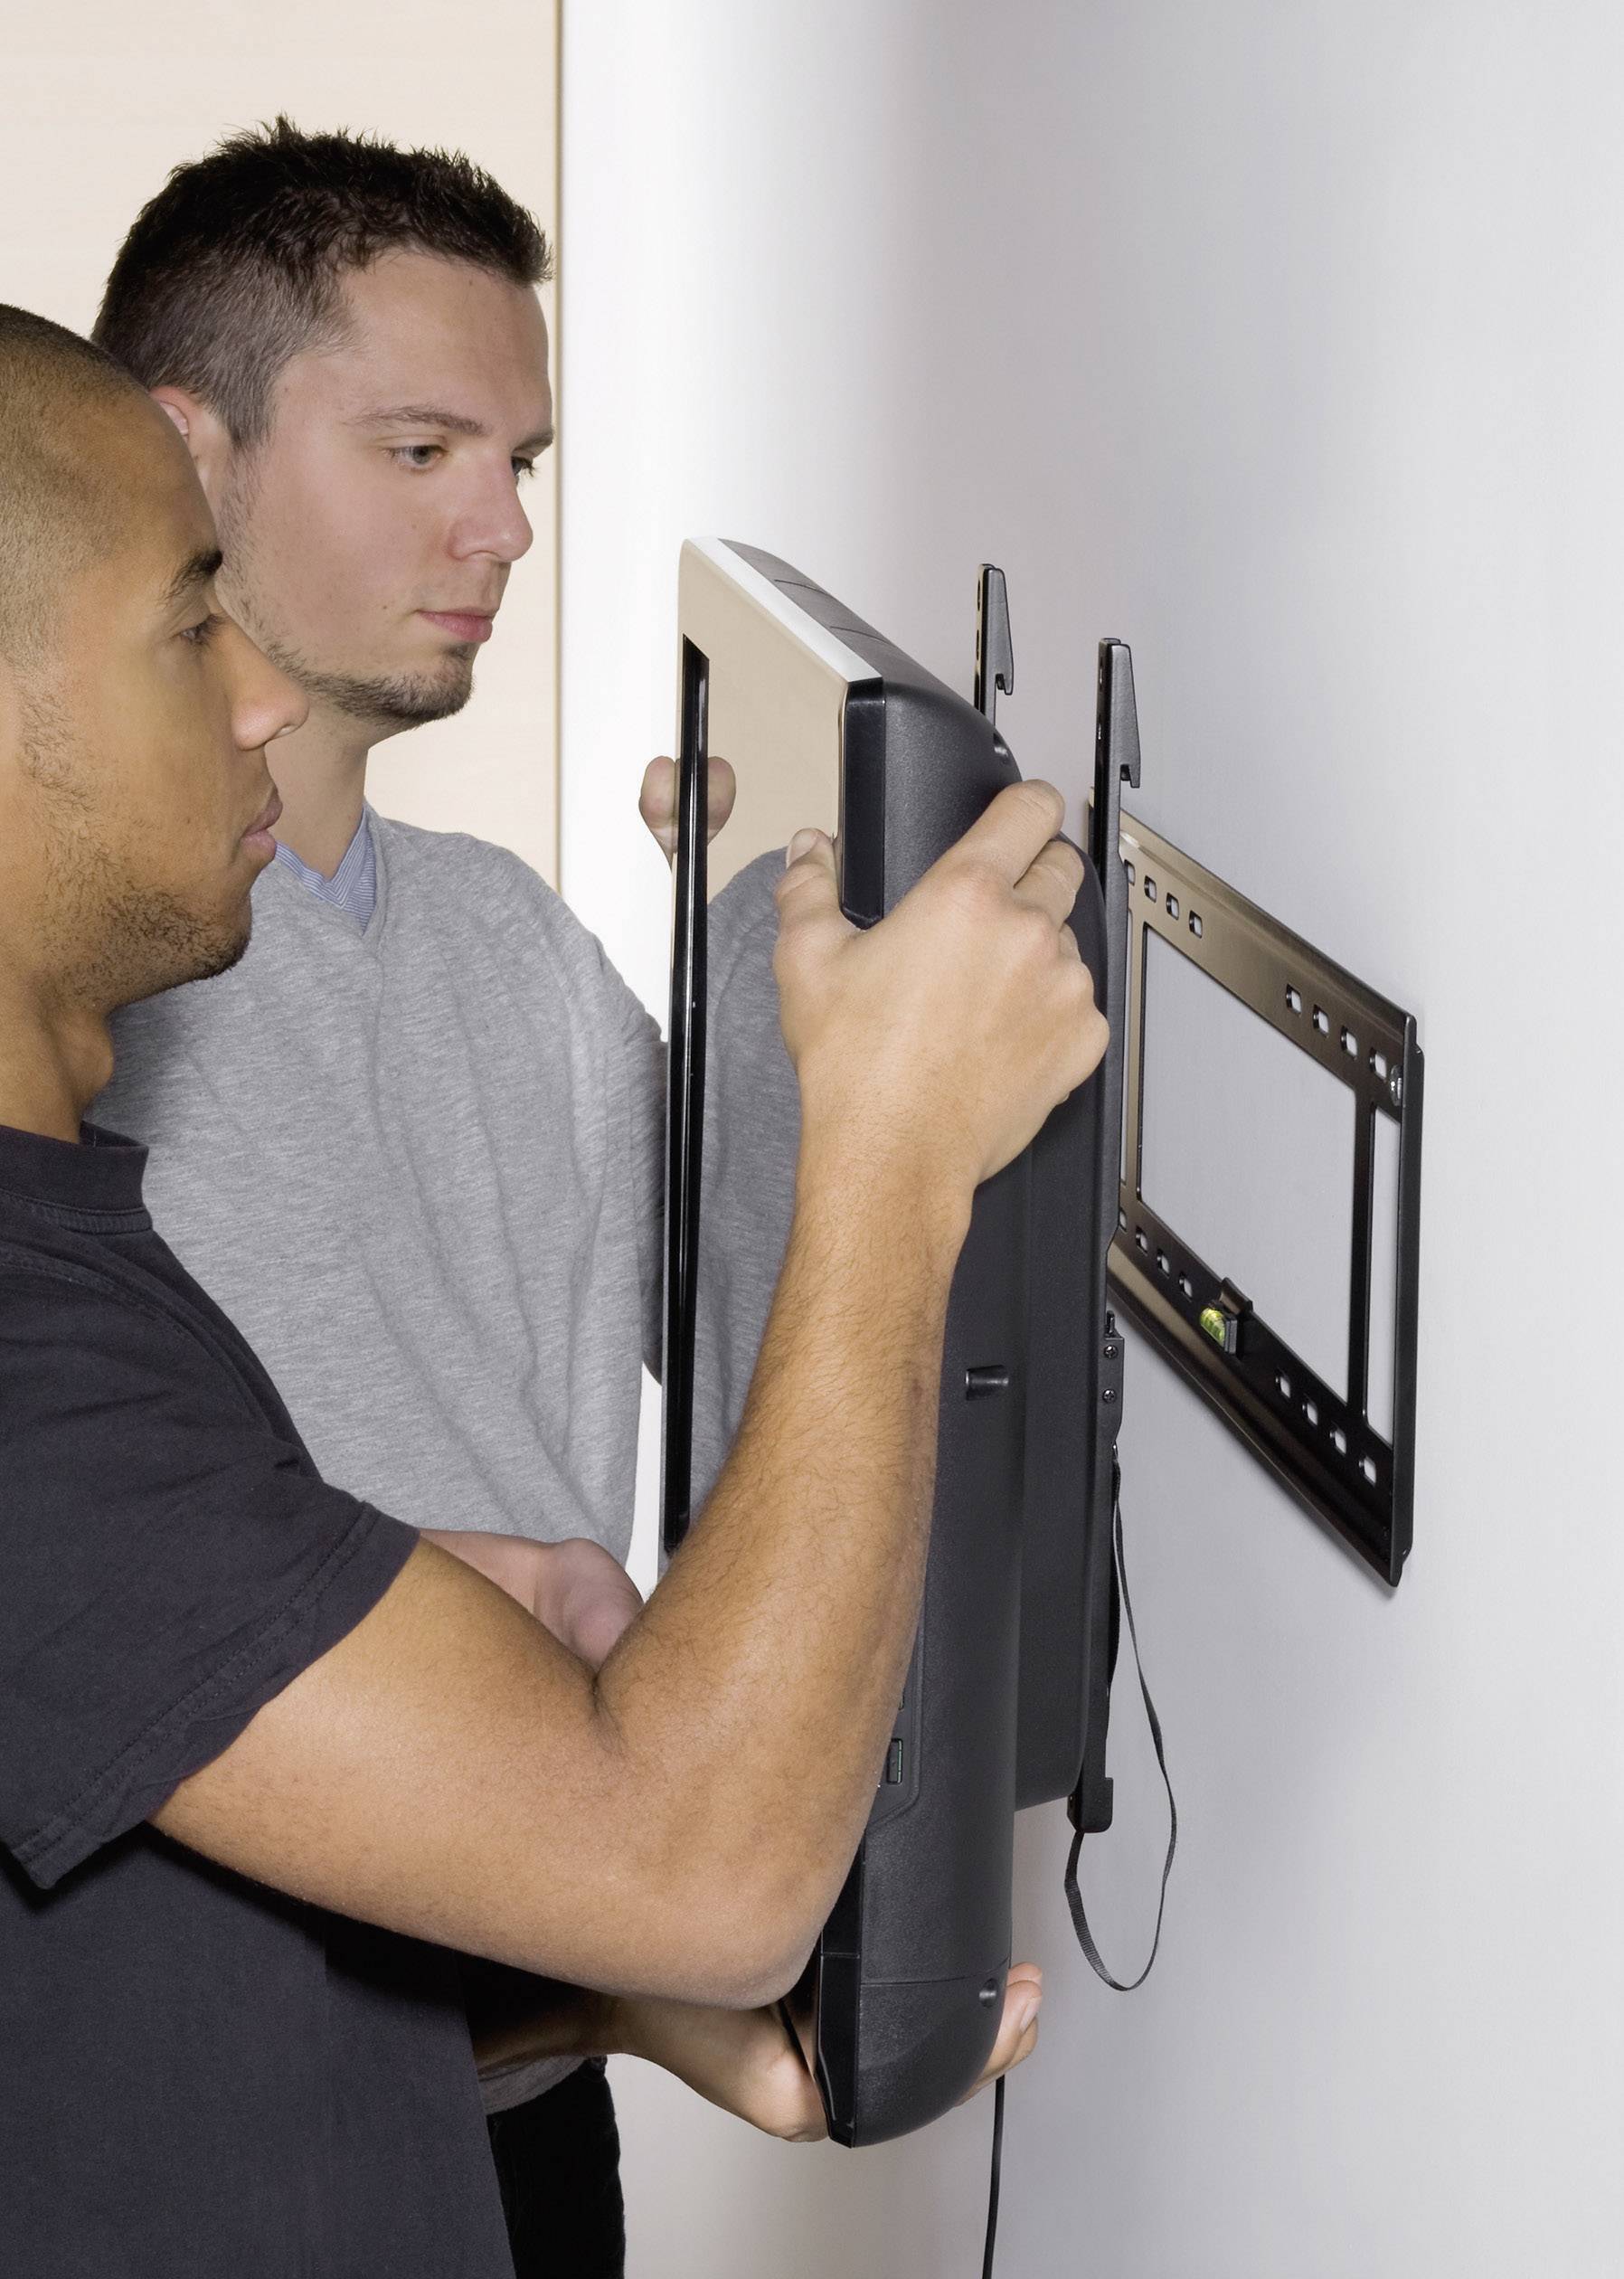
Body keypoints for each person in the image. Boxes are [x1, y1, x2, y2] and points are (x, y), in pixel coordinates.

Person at [0, 303, 1105, 2274]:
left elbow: (128, 2016)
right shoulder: (23, 1380)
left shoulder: (71, 1251)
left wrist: (587, 1993)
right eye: (189, 622)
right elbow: (704, 1869)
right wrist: (893, 1151)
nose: (254, 693)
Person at [86, 120, 722, 2262]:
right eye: (427, 448)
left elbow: (777, 1321)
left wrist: (787, 948)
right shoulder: (73, 986)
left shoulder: (504, 941)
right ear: (190, 447)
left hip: (534, 2077)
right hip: (210, 2117)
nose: (504, 526)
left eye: (521, 462)